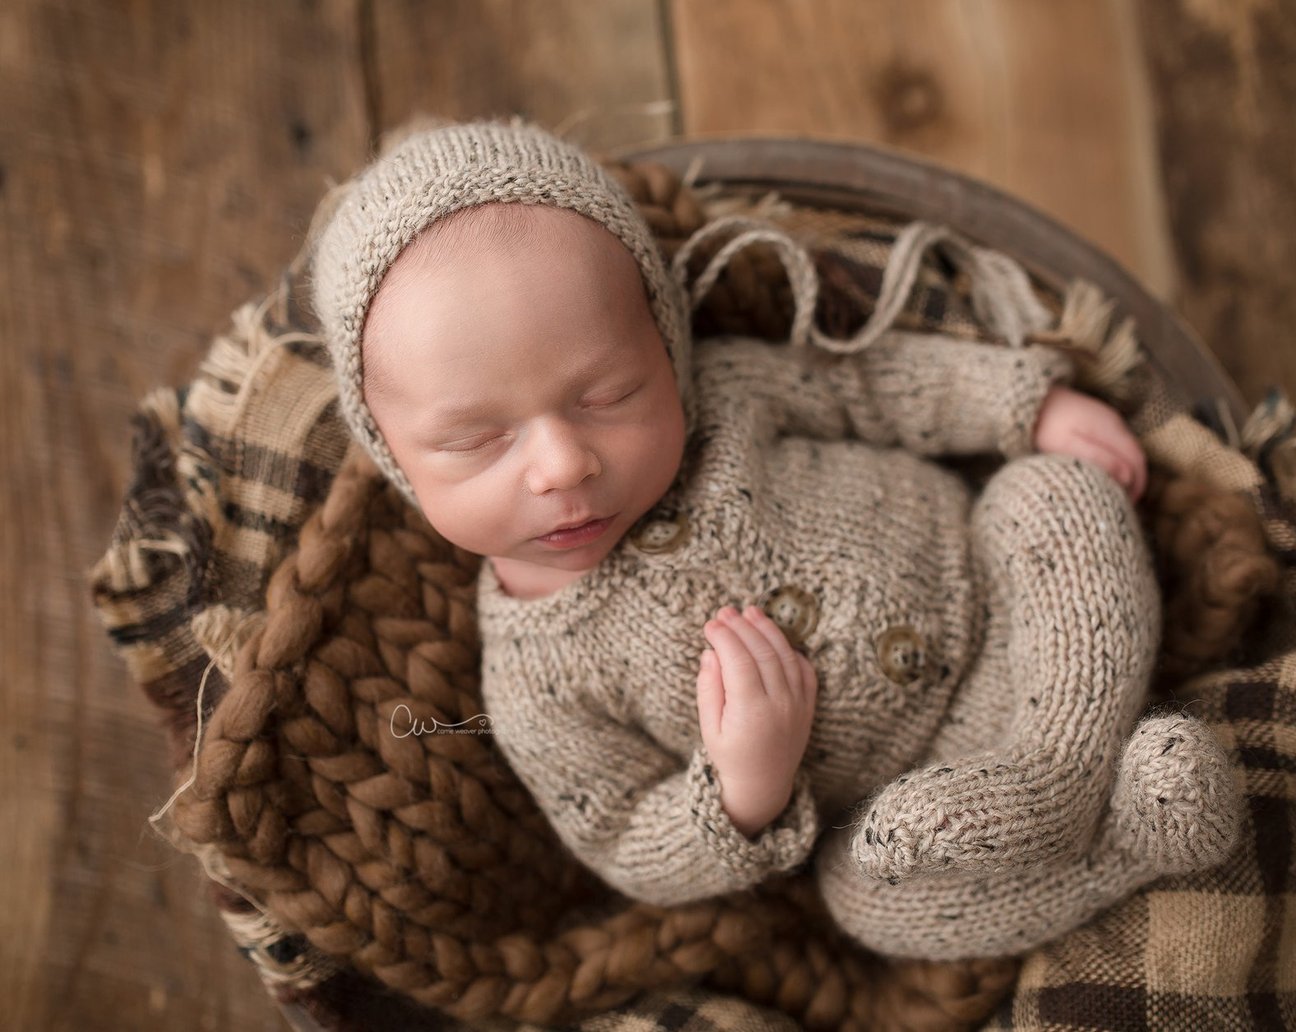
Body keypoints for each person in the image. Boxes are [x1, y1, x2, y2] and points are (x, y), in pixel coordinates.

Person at [309, 117, 1242, 961]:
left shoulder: (729, 393)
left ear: (665, 342)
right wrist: (739, 787)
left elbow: (874, 383)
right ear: (396, 462)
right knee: (870, 899)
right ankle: (1129, 841)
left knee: (1055, 498)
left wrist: (1024, 404)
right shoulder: (535, 678)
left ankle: (1057, 775)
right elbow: (622, 835)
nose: (560, 464)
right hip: (917, 797)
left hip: (1020, 613)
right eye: (478, 442)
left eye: (609, 396)